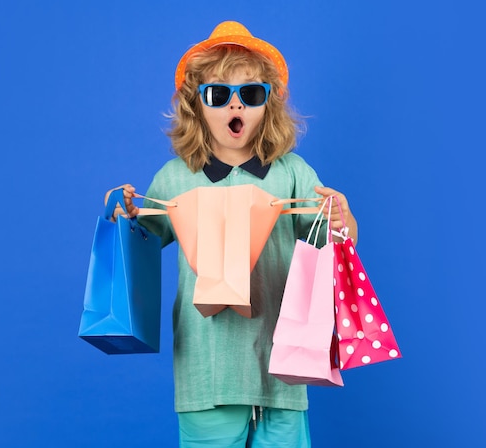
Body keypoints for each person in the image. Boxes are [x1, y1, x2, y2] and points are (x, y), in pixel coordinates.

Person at [108, 21, 358, 448]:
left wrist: (343, 221)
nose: (234, 106)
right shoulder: (175, 178)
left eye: (251, 94)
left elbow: (330, 243)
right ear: (197, 104)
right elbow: (142, 245)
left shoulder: (293, 174)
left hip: (283, 369)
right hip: (207, 375)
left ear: (268, 104)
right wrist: (128, 217)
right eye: (219, 95)